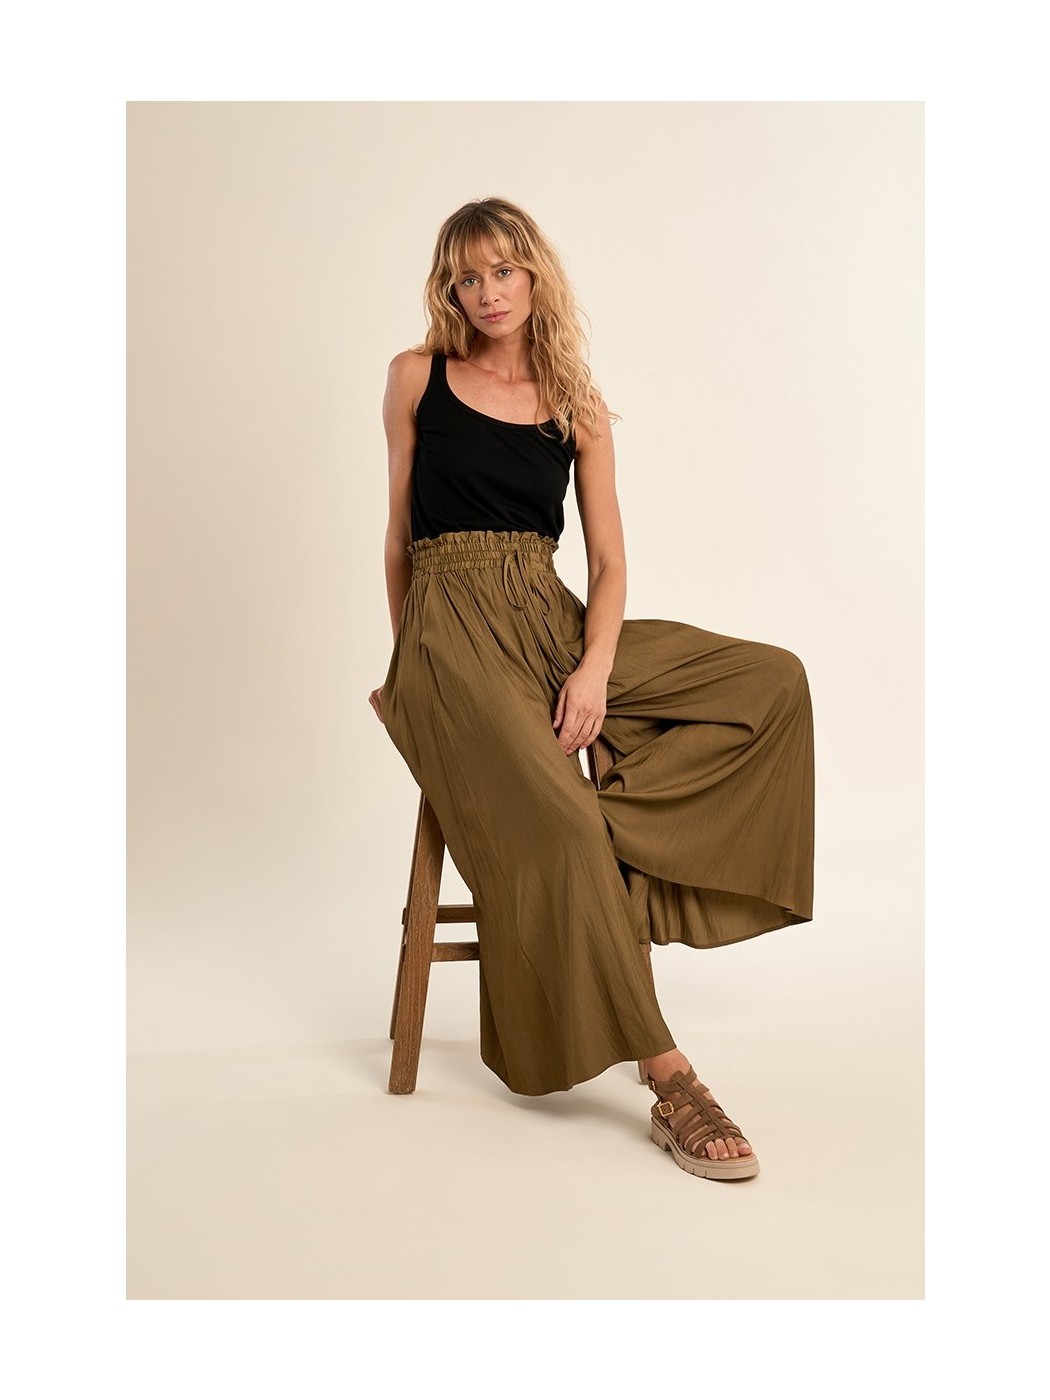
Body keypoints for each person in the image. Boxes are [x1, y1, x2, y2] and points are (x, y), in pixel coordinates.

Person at [368, 196, 814, 1181]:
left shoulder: (575, 399)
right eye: (467, 277)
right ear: (449, 289)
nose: (487, 292)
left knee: (769, 681)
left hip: (550, 612)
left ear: (535, 274)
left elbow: (610, 564)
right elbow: (398, 539)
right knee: (566, 827)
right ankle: (672, 1078)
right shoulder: (416, 377)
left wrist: (595, 670)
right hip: (448, 634)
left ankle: (621, 850)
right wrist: (409, 670)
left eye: (503, 270)